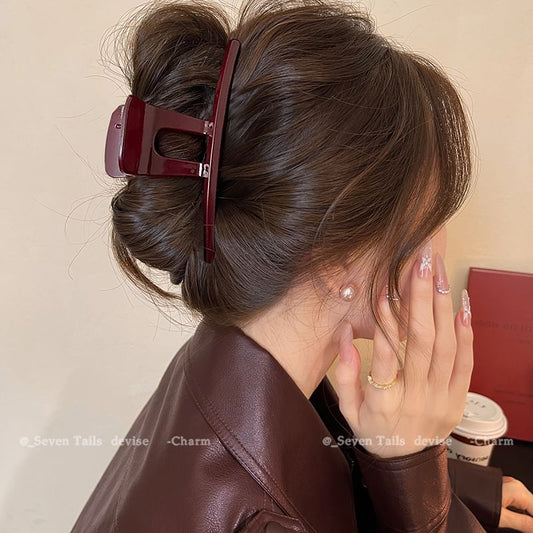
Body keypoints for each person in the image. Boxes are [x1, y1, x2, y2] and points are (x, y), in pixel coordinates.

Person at [71, 0, 533, 531]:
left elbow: (312, 469)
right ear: (336, 258)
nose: (442, 242)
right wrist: (422, 485)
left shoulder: (230, 353)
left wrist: (414, 469)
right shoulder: (258, 522)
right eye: (433, 214)